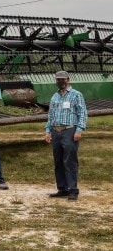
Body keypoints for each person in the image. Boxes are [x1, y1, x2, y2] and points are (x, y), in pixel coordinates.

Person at [45, 70, 87, 202]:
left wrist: (79, 129)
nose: (60, 81)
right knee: (58, 161)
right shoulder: (54, 97)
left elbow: (83, 113)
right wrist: (47, 131)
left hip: (69, 130)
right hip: (55, 131)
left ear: (68, 80)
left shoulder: (76, 95)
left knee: (70, 161)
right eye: (58, 79)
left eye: (62, 79)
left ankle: (73, 190)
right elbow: (50, 115)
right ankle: (62, 188)